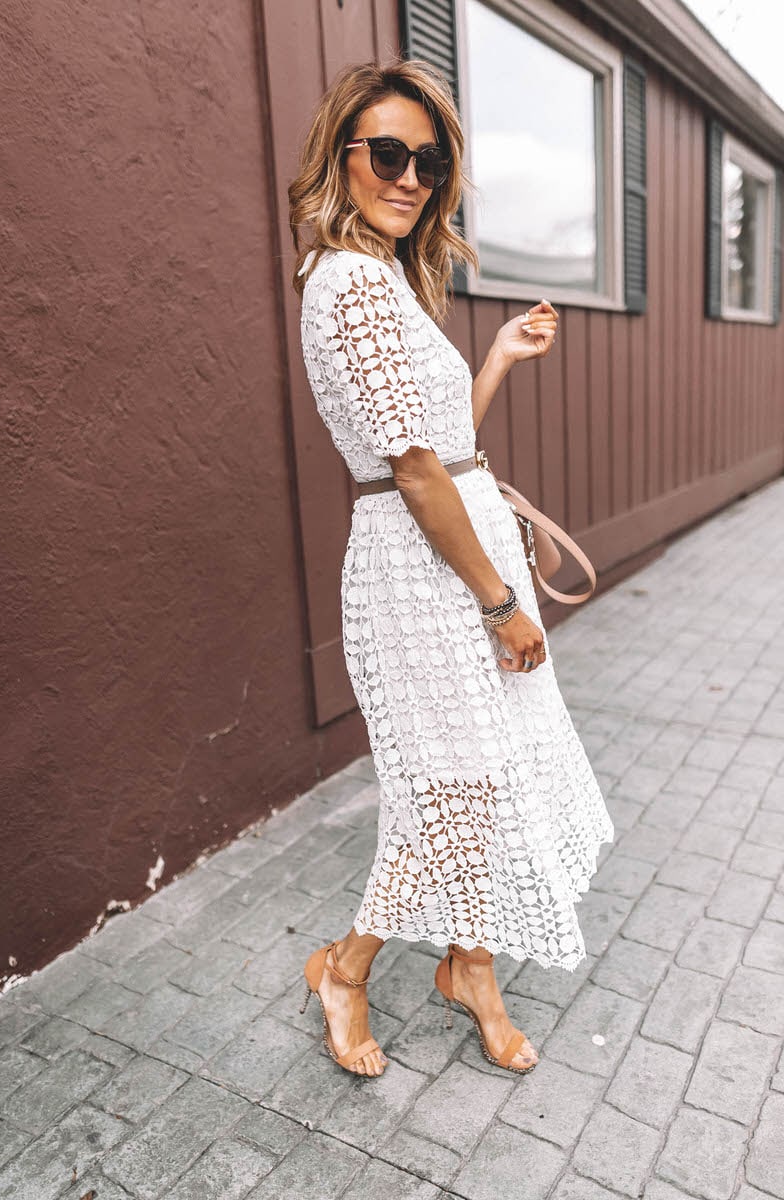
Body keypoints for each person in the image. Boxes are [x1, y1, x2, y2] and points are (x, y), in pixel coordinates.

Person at [287, 58, 614, 1079]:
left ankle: (469, 967)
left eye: (427, 160)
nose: (409, 175)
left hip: (447, 548)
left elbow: (438, 447)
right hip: (426, 576)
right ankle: (344, 969)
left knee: (491, 776)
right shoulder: (344, 281)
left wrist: (497, 360)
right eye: (387, 152)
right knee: (447, 792)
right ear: (339, 157)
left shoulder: (387, 278)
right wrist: (501, 601)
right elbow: (414, 475)